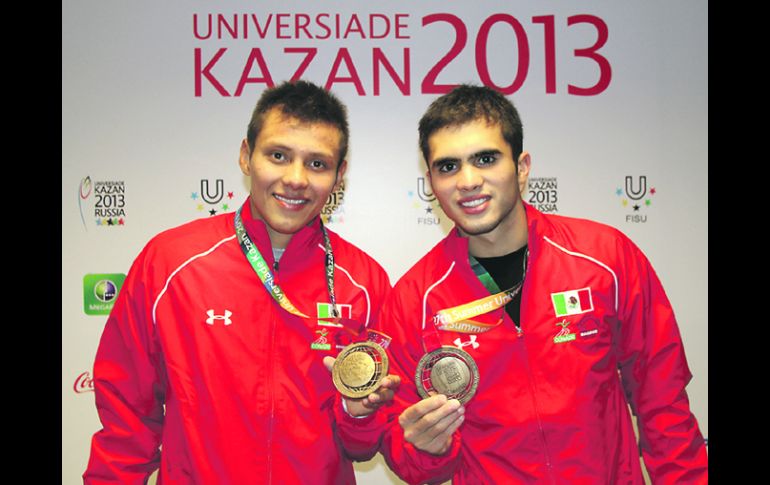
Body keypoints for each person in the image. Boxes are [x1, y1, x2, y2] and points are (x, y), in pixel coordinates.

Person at [377, 84, 708, 484]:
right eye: (448, 166)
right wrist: (426, 447)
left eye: (485, 159)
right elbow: (410, 459)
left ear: (521, 166)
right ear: (430, 180)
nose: (467, 180)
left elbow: (664, 407)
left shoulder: (604, 258)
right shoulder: (416, 299)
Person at [84, 80, 399, 484]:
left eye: (317, 163)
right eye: (279, 155)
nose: (296, 178)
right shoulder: (170, 263)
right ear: (246, 156)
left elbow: (362, 444)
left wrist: (360, 413)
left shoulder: (365, 282)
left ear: (340, 175)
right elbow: (126, 422)